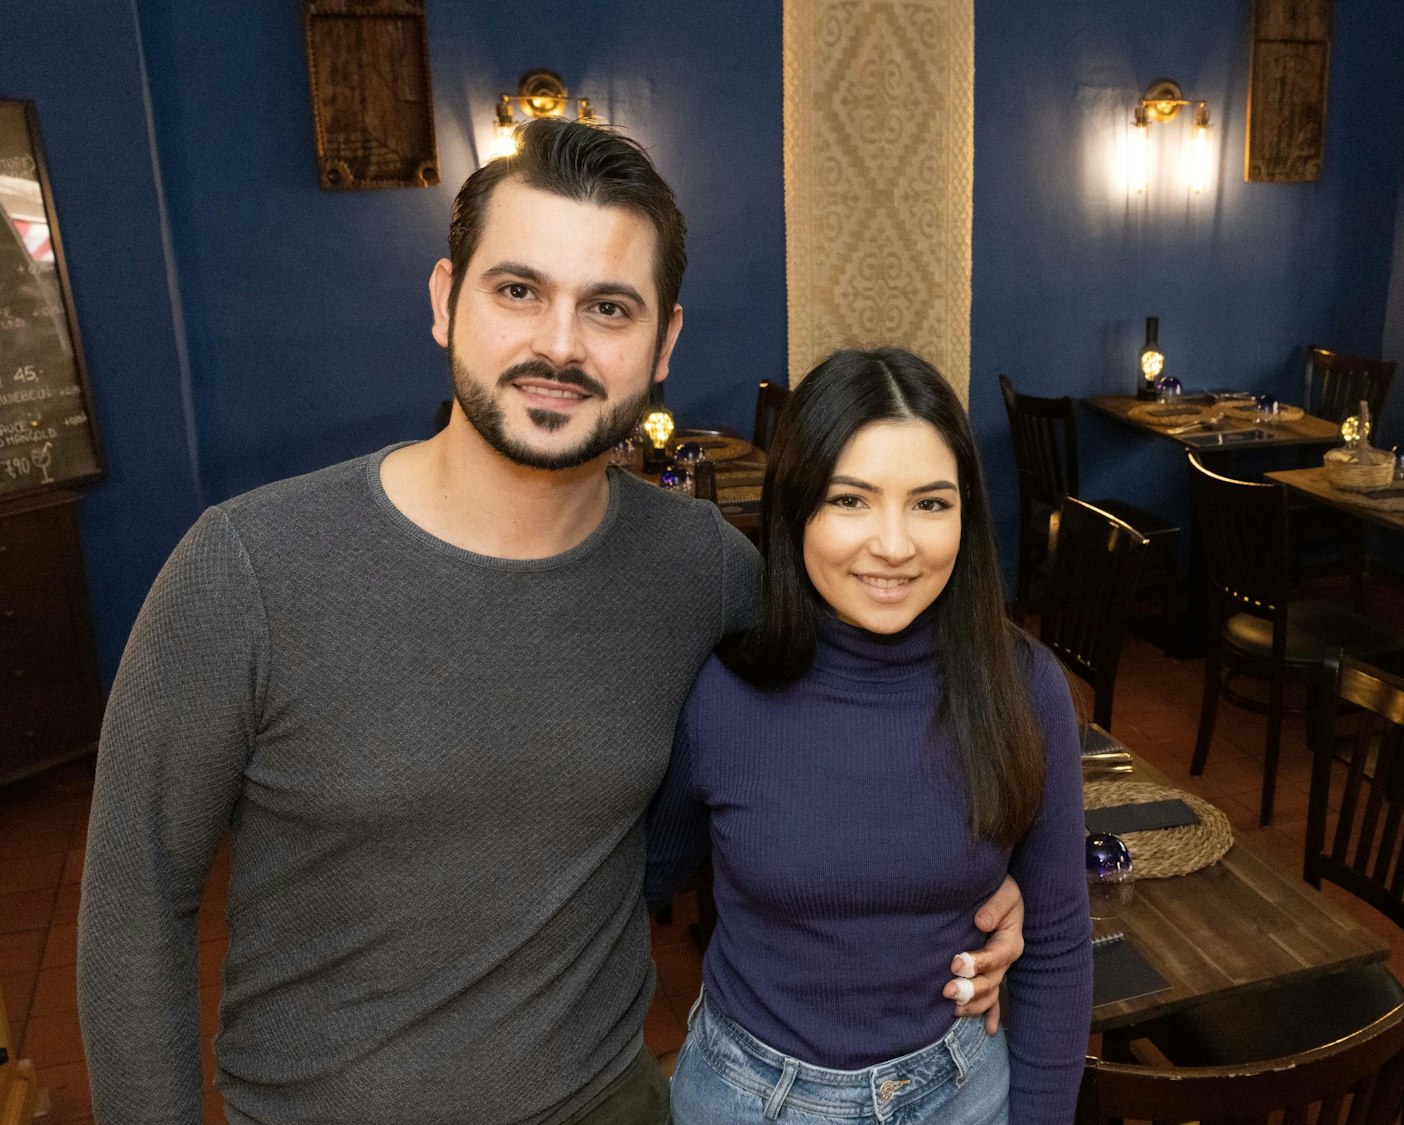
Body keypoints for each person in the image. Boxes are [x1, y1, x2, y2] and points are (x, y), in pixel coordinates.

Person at [76, 118, 1023, 1125]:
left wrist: (964, 893)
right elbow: (136, 907)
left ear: (663, 343)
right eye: (518, 290)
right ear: (446, 301)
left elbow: (869, 706)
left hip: (606, 1101)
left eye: (608, 307)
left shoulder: (703, 571)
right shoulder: (246, 570)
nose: (560, 345)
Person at [644, 348, 1092, 1125]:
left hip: (958, 1091)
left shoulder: (1021, 685)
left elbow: (1055, 942)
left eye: (930, 503)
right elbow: (634, 890)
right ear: (796, 508)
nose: (894, 544)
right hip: (749, 1097)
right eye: (850, 499)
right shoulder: (719, 689)